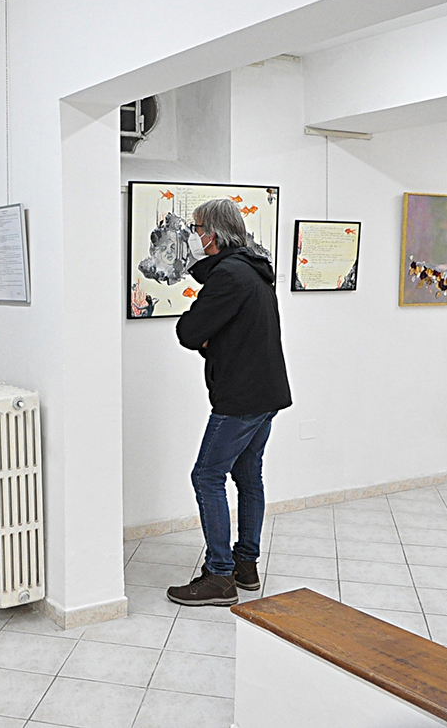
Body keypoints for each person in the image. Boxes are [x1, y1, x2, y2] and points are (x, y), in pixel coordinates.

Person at [168, 199, 291, 608]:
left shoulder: (229, 276)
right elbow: (235, 331)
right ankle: (246, 565)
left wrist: (207, 338)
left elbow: (189, 331)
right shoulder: (254, 270)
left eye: (197, 228)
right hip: (266, 393)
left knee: (206, 476)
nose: (193, 235)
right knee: (248, 475)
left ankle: (220, 576)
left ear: (213, 234)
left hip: (241, 397)